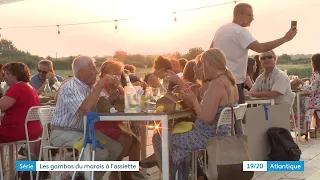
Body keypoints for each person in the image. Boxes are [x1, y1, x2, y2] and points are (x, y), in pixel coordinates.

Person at [153, 48, 239, 180]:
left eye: (202, 64)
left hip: (205, 136)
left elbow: (206, 118)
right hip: (223, 133)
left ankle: (169, 175)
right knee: (180, 151)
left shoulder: (217, 84)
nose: (202, 68)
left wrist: (193, 100)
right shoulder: (230, 81)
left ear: (209, 64)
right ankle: (186, 176)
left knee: (159, 136)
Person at [50, 56, 122, 180]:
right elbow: (85, 108)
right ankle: (73, 175)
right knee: (100, 152)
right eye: (93, 68)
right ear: (82, 72)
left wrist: (114, 88)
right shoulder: (70, 86)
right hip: (63, 132)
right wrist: (100, 85)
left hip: (82, 132)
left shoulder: (90, 87)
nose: (97, 72)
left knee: (116, 149)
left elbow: (108, 105)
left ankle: (71, 175)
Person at [210, 2, 297, 105]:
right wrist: (285, 39)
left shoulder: (220, 30)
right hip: (233, 82)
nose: (252, 18)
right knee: (236, 117)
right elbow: (260, 48)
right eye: (249, 15)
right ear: (239, 14)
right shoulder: (240, 31)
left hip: (216, 81)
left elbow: (210, 51)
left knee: (222, 115)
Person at [96, 59, 145, 179]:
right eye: (114, 73)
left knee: (135, 142)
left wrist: (133, 91)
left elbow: (129, 100)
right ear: (103, 75)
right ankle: (116, 171)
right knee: (126, 138)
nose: (117, 76)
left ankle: (130, 172)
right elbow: (107, 106)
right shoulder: (100, 88)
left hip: (118, 123)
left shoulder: (118, 88)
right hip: (102, 125)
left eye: (119, 73)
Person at [0, 62, 42, 145]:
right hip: (33, 130)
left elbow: (2, 106)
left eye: (7, 74)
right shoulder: (30, 88)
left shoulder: (17, 87)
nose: (4, 77)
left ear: (16, 74)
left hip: (17, 131)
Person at [294, 54, 320, 130]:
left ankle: (301, 126)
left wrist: (301, 83)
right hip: (318, 100)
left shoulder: (316, 74)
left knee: (297, 100)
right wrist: (308, 81)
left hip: (317, 101)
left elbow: (311, 90)